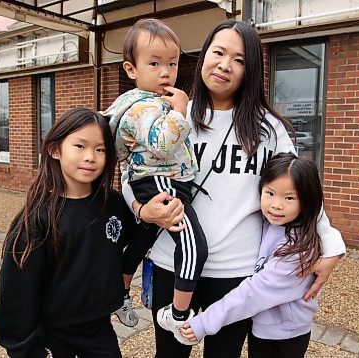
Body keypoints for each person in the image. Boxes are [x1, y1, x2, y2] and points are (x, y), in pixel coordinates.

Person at [121, 19, 346, 357]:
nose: (225, 65)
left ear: (250, 70)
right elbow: (130, 171)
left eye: (239, 59)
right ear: (204, 56)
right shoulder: (169, 113)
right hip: (172, 259)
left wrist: (331, 247)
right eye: (218, 52)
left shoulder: (268, 129)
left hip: (236, 272)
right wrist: (141, 209)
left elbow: (302, 191)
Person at [0, 108, 134, 358]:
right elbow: (16, 296)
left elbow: (132, 242)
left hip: (99, 328)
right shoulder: (37, 219)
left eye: (100, 149)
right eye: (80, 146)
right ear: (55, 149)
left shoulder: (112, 204)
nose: (91, 157)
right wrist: (28, 350)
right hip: (52, 335)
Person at [102, 18, 206, 334]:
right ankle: (177, 314)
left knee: (141, 237)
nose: (166, 72)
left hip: (154, 179)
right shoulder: (143, 108)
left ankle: (118, 294)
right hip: (161, 179)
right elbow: (161, 146)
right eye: (155, 63)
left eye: (172, 63)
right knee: (193, 246)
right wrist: (180, 111)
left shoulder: (147, 102)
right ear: (131, 69)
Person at [180, 152, 325, 357]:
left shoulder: (298, 249)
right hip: (264, 327)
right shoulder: (271, 223)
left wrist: (206, 322)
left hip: (286, 334)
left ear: (307, 200)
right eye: (270, 193)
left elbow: (254, 292)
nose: (276, 204)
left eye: (289, 197)